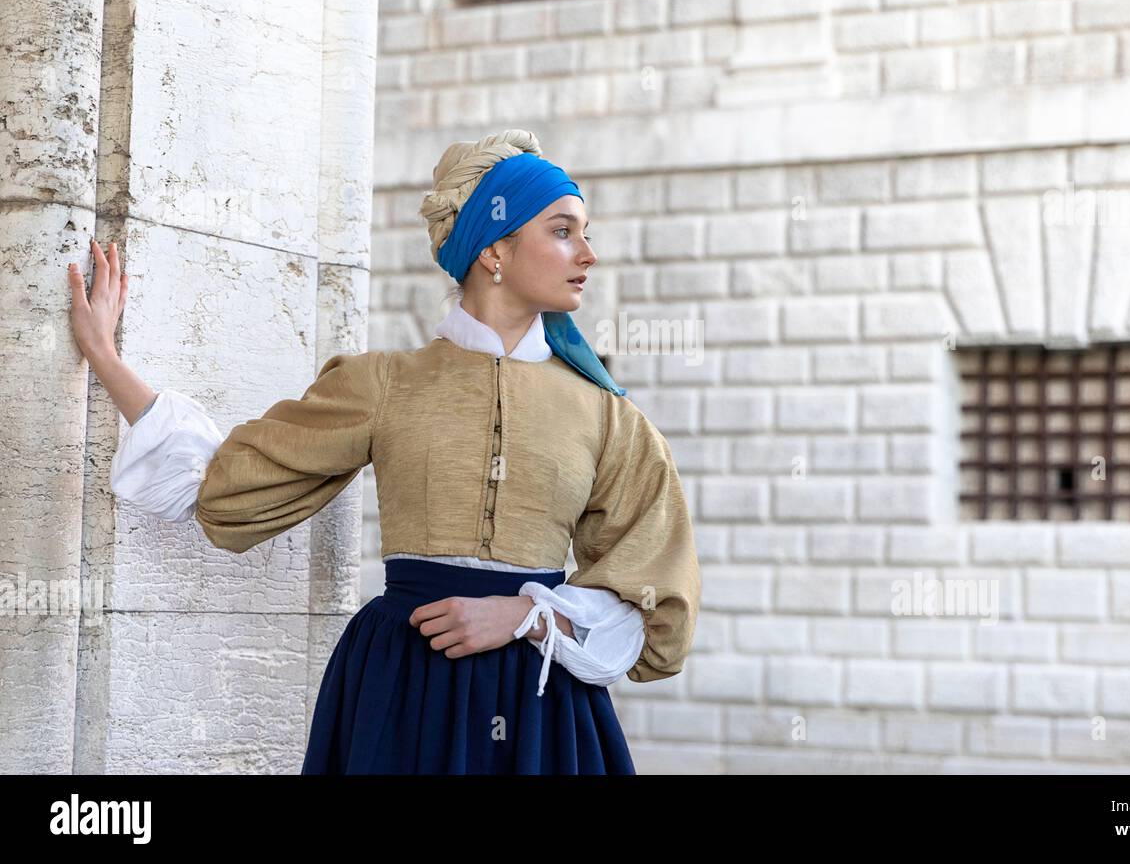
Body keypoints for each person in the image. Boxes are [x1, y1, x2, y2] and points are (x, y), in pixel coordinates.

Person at [66, 128, 702, 774]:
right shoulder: (385, 384)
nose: (588, 253)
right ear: (494, 251)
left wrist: (528, 616)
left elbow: (655, 607)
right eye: (563, 230)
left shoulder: (608, 416)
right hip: (403, 694)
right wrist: (105, 358)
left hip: (541, 718)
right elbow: (227, 482)